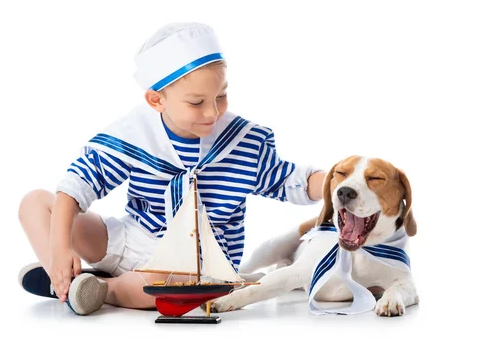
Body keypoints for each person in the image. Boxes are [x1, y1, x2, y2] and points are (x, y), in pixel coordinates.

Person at [17, 22, 326, 315]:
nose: (213, 111)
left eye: (221, 96)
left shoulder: (243, 142)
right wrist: (59, 248)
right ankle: (62, 275)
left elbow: (290, 181)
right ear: (156, 101)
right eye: (196, 102)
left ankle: (102, 287)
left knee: (163, 284)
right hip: (133, 239)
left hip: (196, 264)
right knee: (36, 202)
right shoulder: (136, 134)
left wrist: (335, 182)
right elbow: (78, 183)